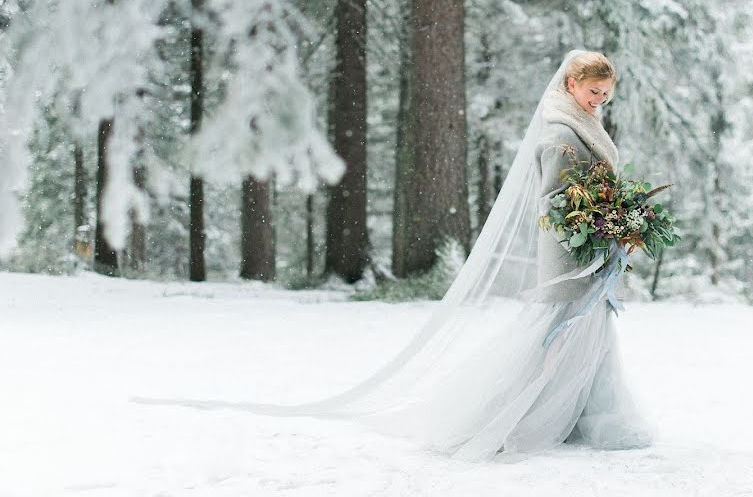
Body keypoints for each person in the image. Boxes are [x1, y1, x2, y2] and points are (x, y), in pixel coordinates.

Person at [132, 49, 657, 463]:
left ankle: (584, 415)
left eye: (605, 97)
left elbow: (588, 191)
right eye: (593, 93)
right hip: (569, 251)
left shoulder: (582, 125)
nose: (598, 104)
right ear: (571, 85)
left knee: (589, 331)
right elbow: (555, 200)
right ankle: (509, 415)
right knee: (560, 332)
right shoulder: (562, 133)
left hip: (590, 248)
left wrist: (616, 218)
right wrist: (603, 219)